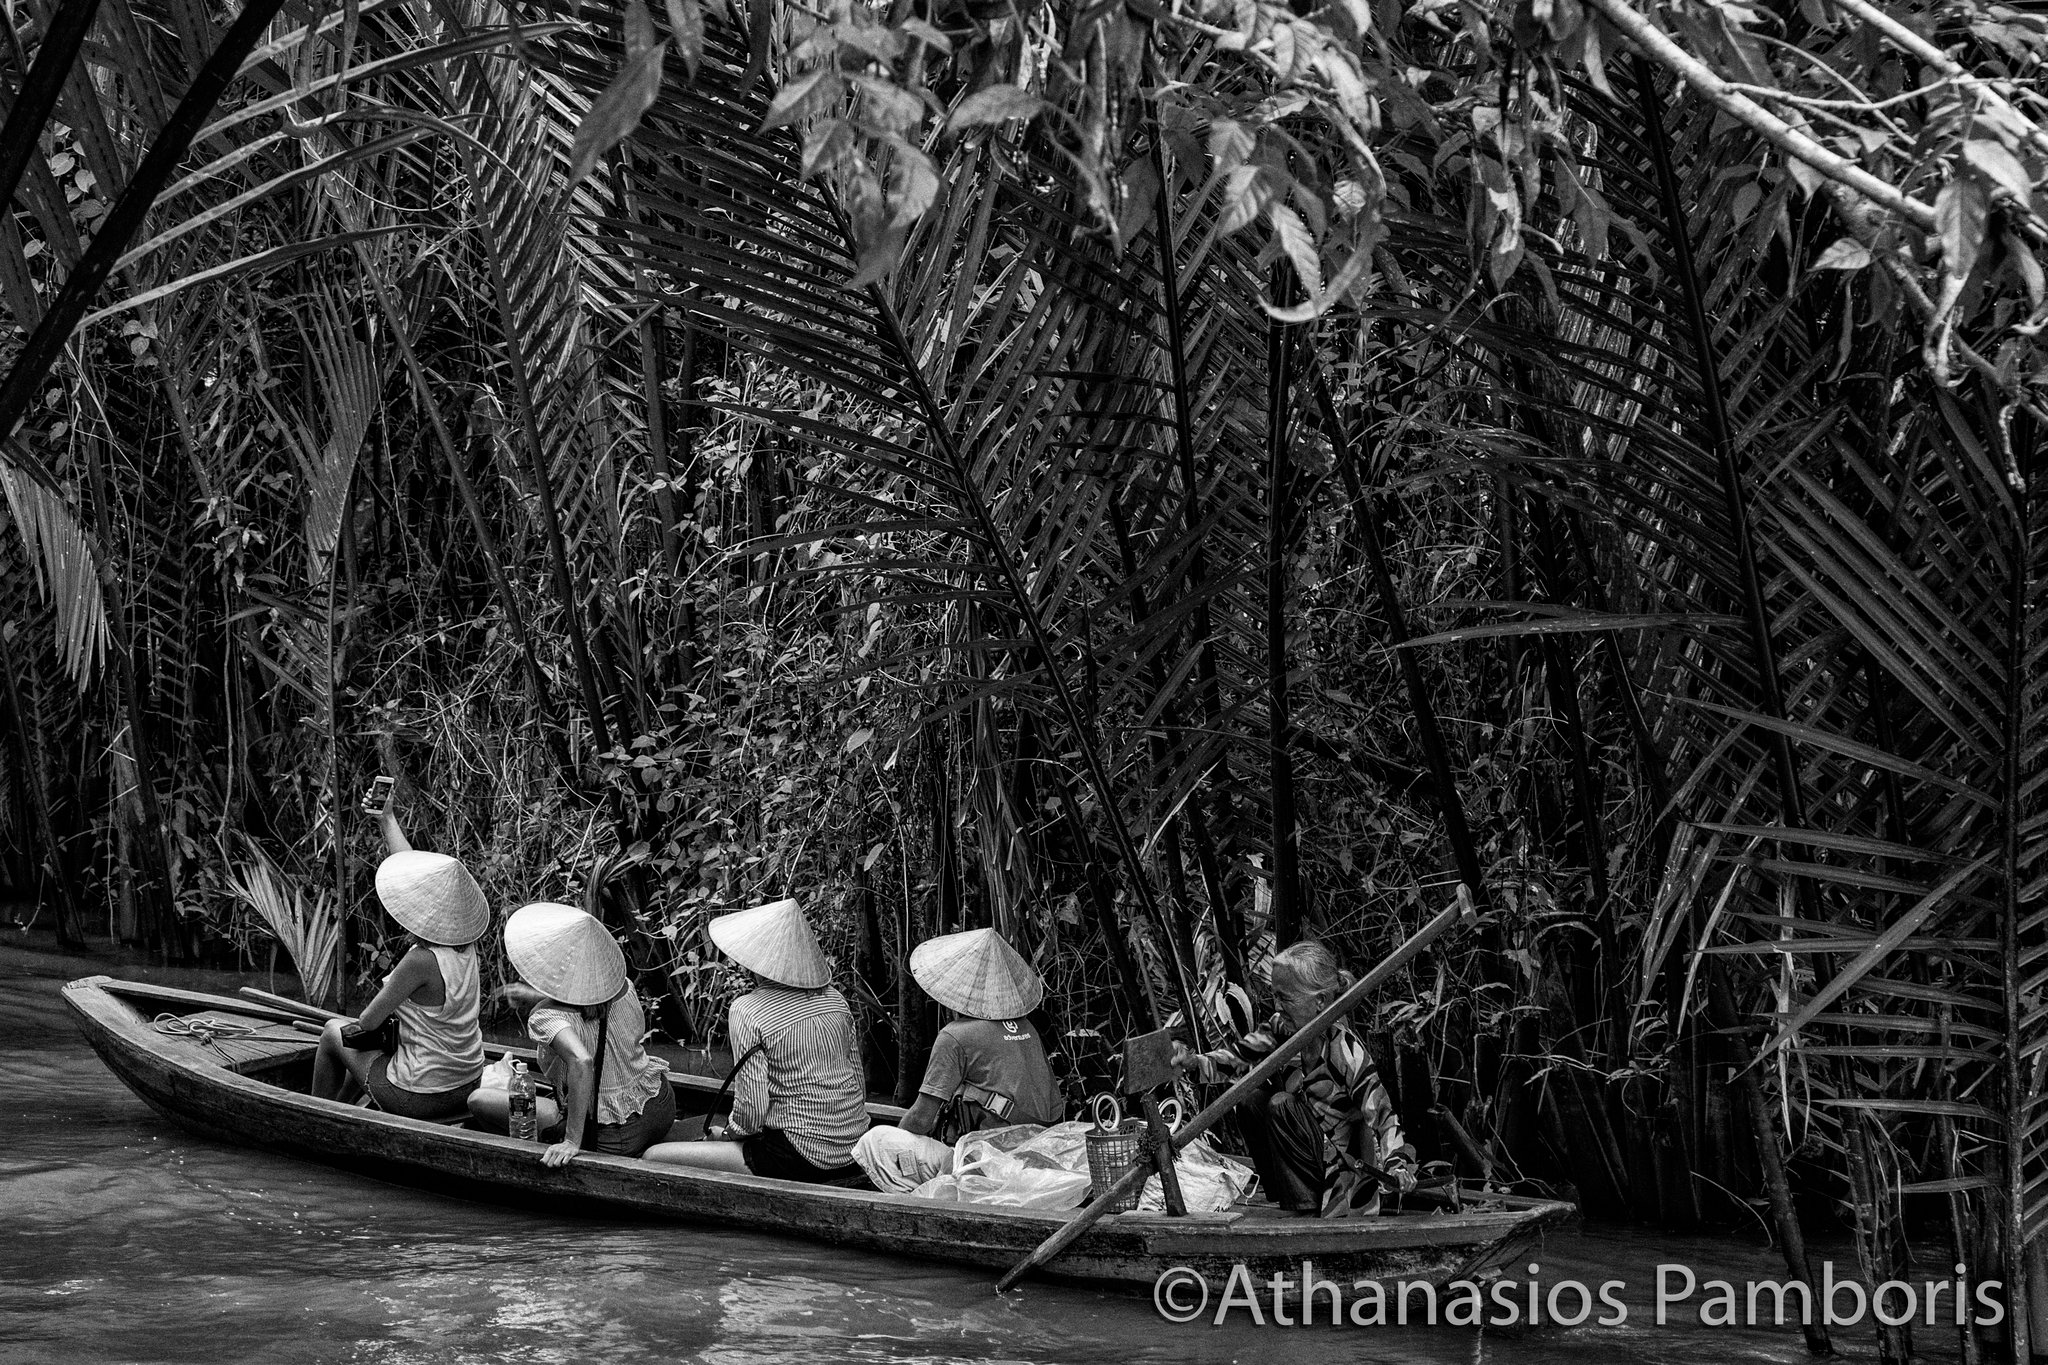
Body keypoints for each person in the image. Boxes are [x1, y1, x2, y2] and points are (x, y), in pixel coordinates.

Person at [1172, 939, 1415, 1216]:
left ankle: (1305, 1208)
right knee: (1251, 1100)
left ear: (1320, 1001)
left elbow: (1383, 1116)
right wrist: (1193, 1064)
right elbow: (1237, 1058)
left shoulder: (1346, 1052)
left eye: (1285, 998)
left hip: (1337, 1170)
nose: (1277, 1005)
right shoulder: (1281, 1028)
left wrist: (1398, 1166)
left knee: (1282, 1104)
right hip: (1304, 1157)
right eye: (1275, 995)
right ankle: (1283, 1195)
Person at [644, 898, 868, 1181]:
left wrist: (726, 1136)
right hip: (854, 1149)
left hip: (798, 1154)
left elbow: (751, 1111)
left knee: (653, 1157)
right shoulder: (835, 1000)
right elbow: (858, 1083)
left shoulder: (748, 1010)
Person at [311, 784, 488, 1120]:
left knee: (334, 1032)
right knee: (379, 1045)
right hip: (468, 1081)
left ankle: (315, 1116)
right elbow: (411, 869)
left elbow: (368, 1021)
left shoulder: (419, 960)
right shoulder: (466, 943)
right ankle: (343, 1110)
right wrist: (387, 819)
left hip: (421, 1095)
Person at [851, 927, 1063, 1194]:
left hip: (993, 1163)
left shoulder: (955, 1036)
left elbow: (921, 1119)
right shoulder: (1026, 1025)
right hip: (1037, 1152)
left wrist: (902, 1140)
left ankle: (922, 1202)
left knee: (876, 1141)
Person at [469, 902, 677, 1165]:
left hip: (611, 1134)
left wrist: (571, 1141)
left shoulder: (546, 1016)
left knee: (478, 1100)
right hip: (660, 1106)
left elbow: (582, 1060)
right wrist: (534, 996)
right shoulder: (624, 986)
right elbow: (587, 1004)